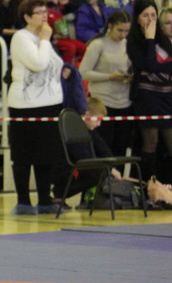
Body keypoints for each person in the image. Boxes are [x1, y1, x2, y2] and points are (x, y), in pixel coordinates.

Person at [7, 0, 65, 215]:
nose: (44, 16)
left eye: (45, 11)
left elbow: (54, 64)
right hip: (26, 106)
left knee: (46, 155)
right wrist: (45, 40)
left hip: (49, 105)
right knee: (24, 155)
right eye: (39, 12)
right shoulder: (21, 38)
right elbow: (38, 64)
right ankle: (23, 201)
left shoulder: (42, 39)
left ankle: (44, 200)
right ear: (27, 17)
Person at [78, 10, 133, 160]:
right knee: (104, 147)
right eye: (120, 30)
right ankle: (104, 175)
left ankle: (118, 175)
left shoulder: (128, 44)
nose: (123, 35)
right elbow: (83, 73)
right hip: (103, 102)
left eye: (127, 31)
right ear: (110, 26)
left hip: (124, 101)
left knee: (121, 147)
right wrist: (110, 77)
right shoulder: (98, 44)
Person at [127, 0, 172, 180]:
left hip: (168, 97)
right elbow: (148, 64)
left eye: (153, 15)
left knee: (170, 142)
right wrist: (150, 39)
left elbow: (152, 66)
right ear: (137, 18)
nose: (150, 19)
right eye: (145, 15)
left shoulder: (164, 39)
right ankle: (147, 186)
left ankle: (167, 185)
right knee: (151, 142)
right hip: (147, 97)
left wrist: (155, 67)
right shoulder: (134, 42)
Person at [52, 97, 124, 207]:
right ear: (87, 115)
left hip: (78, 167)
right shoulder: (75, 130)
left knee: (101, 171)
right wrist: (108, 169)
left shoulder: (90, 131)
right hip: (66, 170)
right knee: (98, 173)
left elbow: (104, 150)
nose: (99, 124)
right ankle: (60, 192)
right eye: (97, 120)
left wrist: (112, 166)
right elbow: (84, 157)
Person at [48, 0, 88, 64]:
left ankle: (78, 65)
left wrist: (66, 2)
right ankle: (66, 67)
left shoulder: (59, 8)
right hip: (54, 40)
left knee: (84, 47)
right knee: (71, 47)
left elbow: (74, 7)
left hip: (65, 38)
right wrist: (53, 36)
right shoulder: (44, 12)